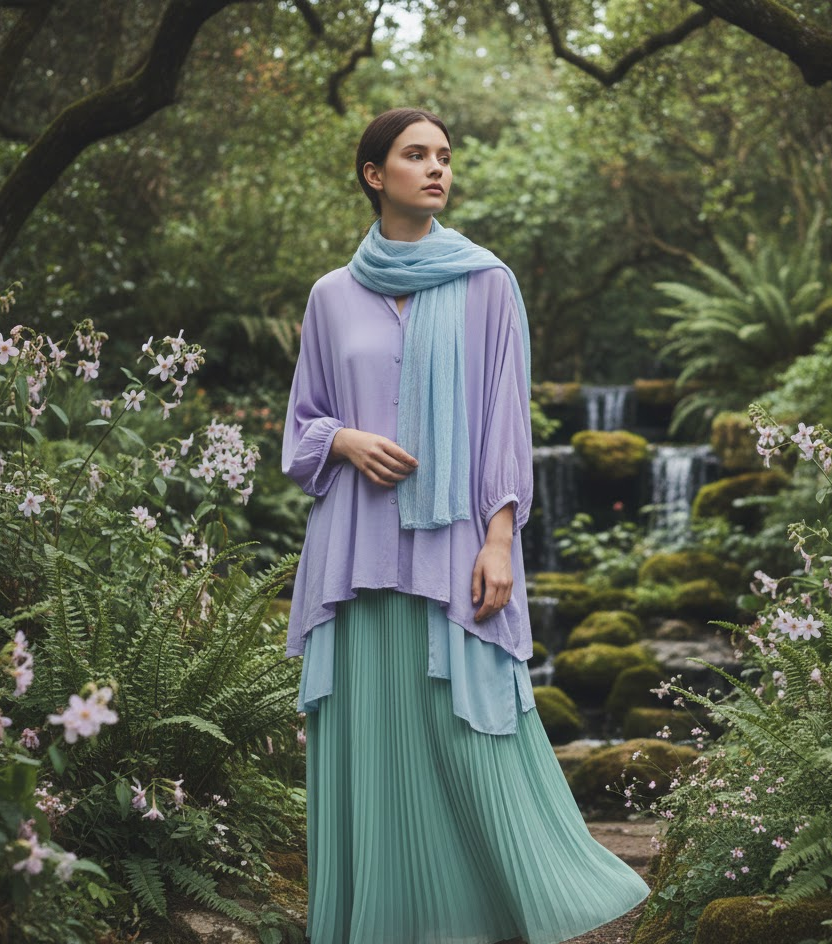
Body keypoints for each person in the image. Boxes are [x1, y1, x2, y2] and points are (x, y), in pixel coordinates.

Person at [282, 107, 649, 944]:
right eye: (417, 155)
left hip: (452, 545)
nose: (437, 169)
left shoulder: (488, 282)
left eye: (444, 156)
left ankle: (505, 910)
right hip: (353, 549)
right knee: (370, 741)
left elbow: (502, 425)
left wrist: (498, 540)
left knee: (472, 726)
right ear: (376, 175)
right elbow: (301, 425)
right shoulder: (331, 297)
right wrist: (342, 438)